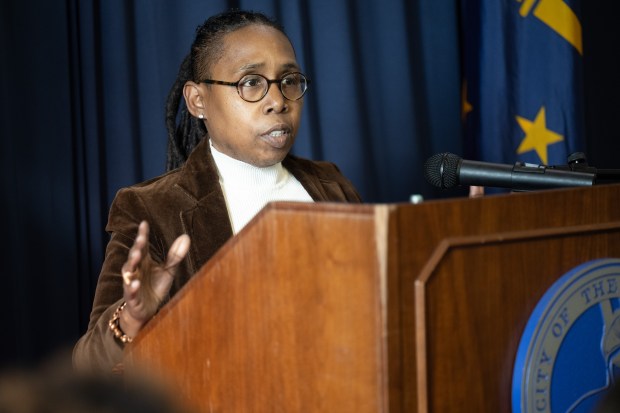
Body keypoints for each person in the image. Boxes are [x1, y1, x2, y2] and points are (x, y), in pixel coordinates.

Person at [72, 9, 362, 373]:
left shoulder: (330, 185)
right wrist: (130, 318)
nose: (278, 100)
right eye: (251, 82)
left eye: (288, 80)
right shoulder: (151, 208)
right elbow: (87, 368)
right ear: (197, 101)